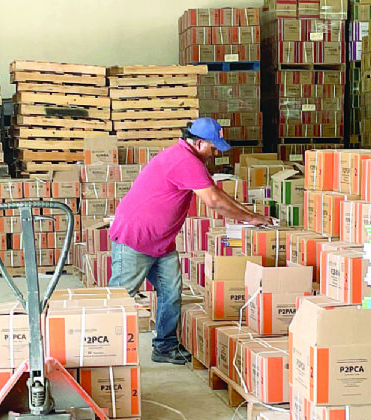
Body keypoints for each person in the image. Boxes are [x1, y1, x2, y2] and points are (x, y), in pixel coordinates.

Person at [108, 117, 273, 365]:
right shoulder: (183, 160)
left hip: (161, 242)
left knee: (171, 293)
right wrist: (250, 218)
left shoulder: (190, 158)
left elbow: (218, 193)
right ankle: (99, 354)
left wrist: (252, 217)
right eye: (213, 146)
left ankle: (164, 347)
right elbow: (213, 202)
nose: (217, 152)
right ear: (197, 143)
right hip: (136, 238)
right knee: (119, 297)